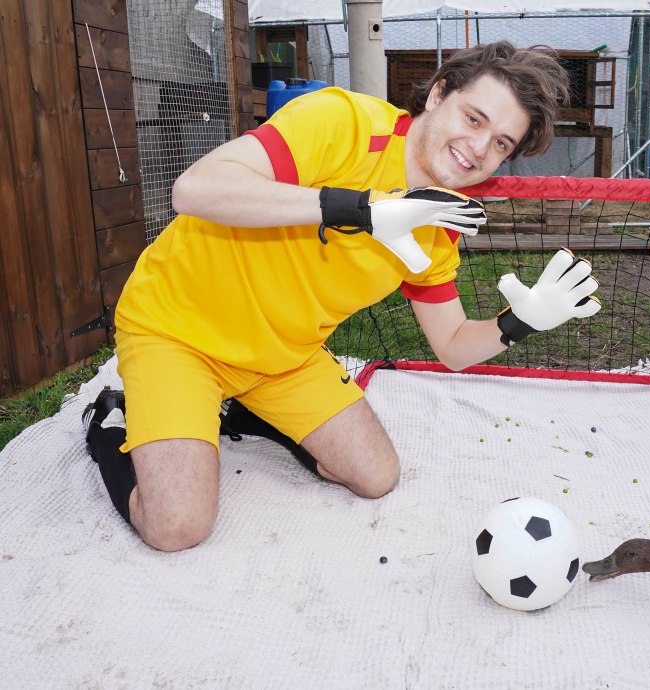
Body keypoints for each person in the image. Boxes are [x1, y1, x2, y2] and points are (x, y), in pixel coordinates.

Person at [82, 41, 601, 552]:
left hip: (283, 358)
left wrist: (523, 321)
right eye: (474, 119)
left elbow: (453, 345)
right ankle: (108, 418)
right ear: (439, 94)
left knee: (376, 475)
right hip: (177, 330)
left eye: (502, 143)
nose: (480, 148)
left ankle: (241, 410)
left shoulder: (441, 222)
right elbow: (195, 189)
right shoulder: (343, 122)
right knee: (177, 527)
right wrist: (362, 210)